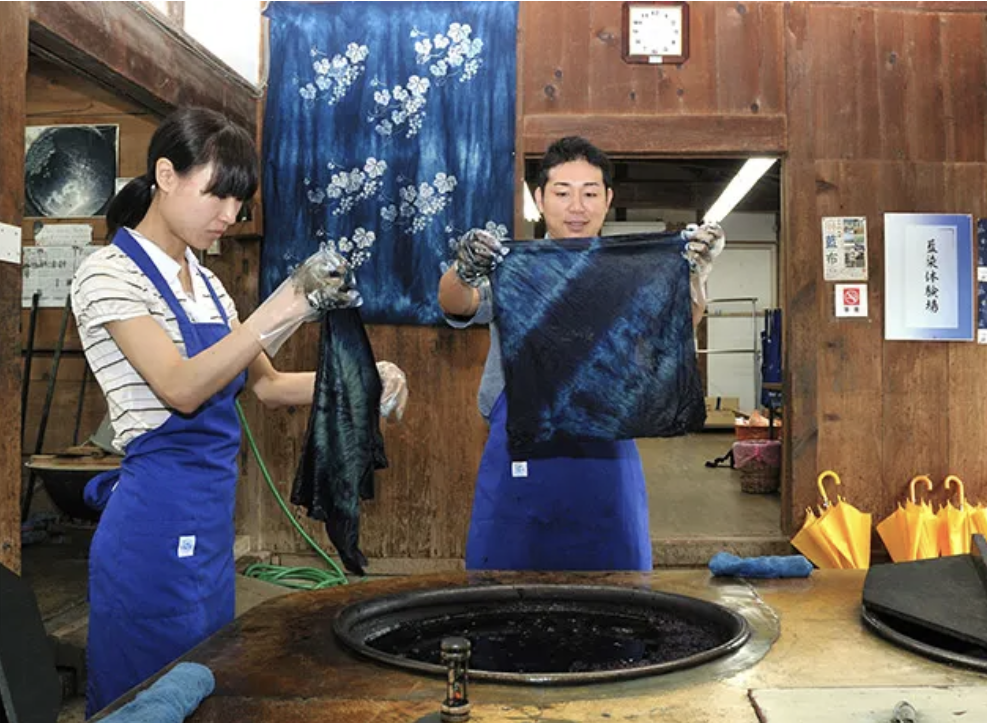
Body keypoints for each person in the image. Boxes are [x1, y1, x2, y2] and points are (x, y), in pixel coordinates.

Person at [71, 107, 408, 717]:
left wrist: (364, 380)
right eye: (217, 195)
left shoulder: (206, 282)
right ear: (166, 175)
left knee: (208, 687)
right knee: (142, 698)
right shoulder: (107, 274)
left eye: (239, 201)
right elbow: (181, 387)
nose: (229, 215)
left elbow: (269, 386)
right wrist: (281, 307)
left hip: (209, 527)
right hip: (151, 527)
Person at [437, 136, 724, 572]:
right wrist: (464, 269)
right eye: (562, 193)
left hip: (607, 440)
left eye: (590, 193)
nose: (577, 206)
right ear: (540, 199)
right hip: (521, 440)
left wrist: (696, 276)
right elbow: (456, 303)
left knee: (615, 580)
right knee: (506, 578)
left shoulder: (631, 271)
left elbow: (677, 324)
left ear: (608, 199)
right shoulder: (514, 268)